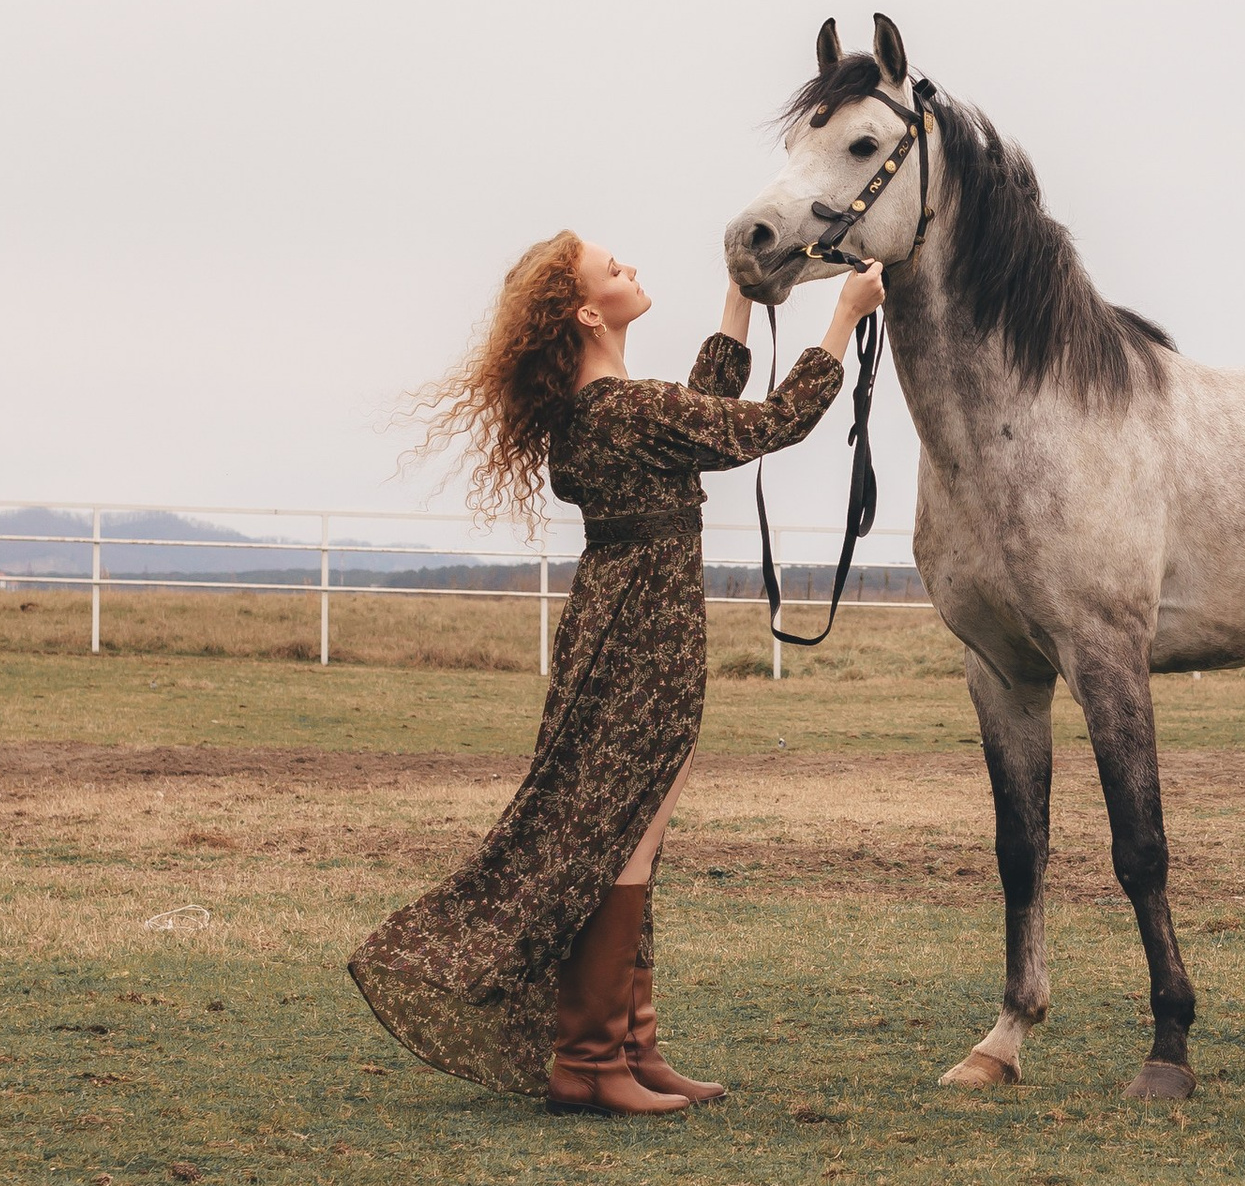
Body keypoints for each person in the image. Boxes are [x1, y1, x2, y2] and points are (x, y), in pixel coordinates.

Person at [350, 236, 878, 1115]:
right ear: (589, 313)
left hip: (631, 627)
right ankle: (592, 1061)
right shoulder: (622, 409)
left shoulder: (609, 409)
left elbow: (700, 414)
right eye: (611, 269)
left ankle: (631, 1045)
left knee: (633, 829)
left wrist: (741, 299)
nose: (628, 265)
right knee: (625, 835)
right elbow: (766, 426)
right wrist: (844, 317)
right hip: (644, 637)